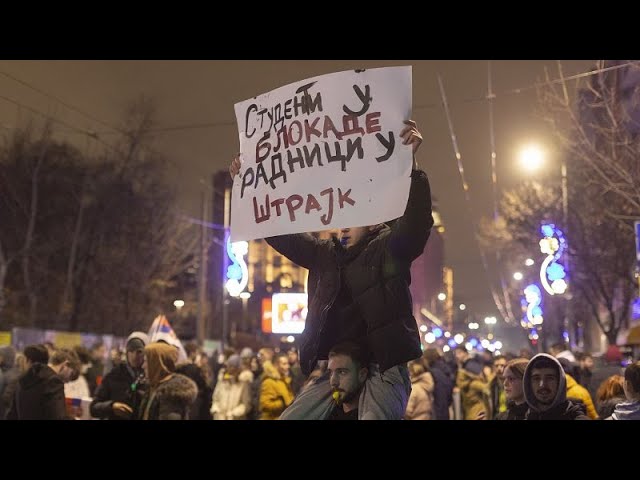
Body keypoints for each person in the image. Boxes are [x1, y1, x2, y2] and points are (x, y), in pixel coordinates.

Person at [229, 120, 432, 420]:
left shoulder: (388, 247)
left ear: (374, 222)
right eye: (341, 218)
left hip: (381, 368)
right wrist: (249, 187)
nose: (344, 225)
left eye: (354, 217)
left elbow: (416, 227)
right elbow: (280, 232)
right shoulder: (324, 255)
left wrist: (413, 167)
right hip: (337, 368)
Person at [6, 347, 80, 420]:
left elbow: (12, 414)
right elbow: (58, 417)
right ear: (65, 365)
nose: (67, 381)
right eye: (71, 374)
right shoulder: (54, 382)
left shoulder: (25, 377)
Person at [90, 332, 149, 420]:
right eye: (131, 351)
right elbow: (93, 408)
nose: (134, 356)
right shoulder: (113, 376)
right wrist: (112, 406)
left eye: (139, 352)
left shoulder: (151, 378)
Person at [523, 353, 590, 420]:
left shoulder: (575, 416)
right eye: (536, 378)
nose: (542, 385)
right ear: (529, 383)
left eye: (549, 378)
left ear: (560, 382)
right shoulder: (527, 415)